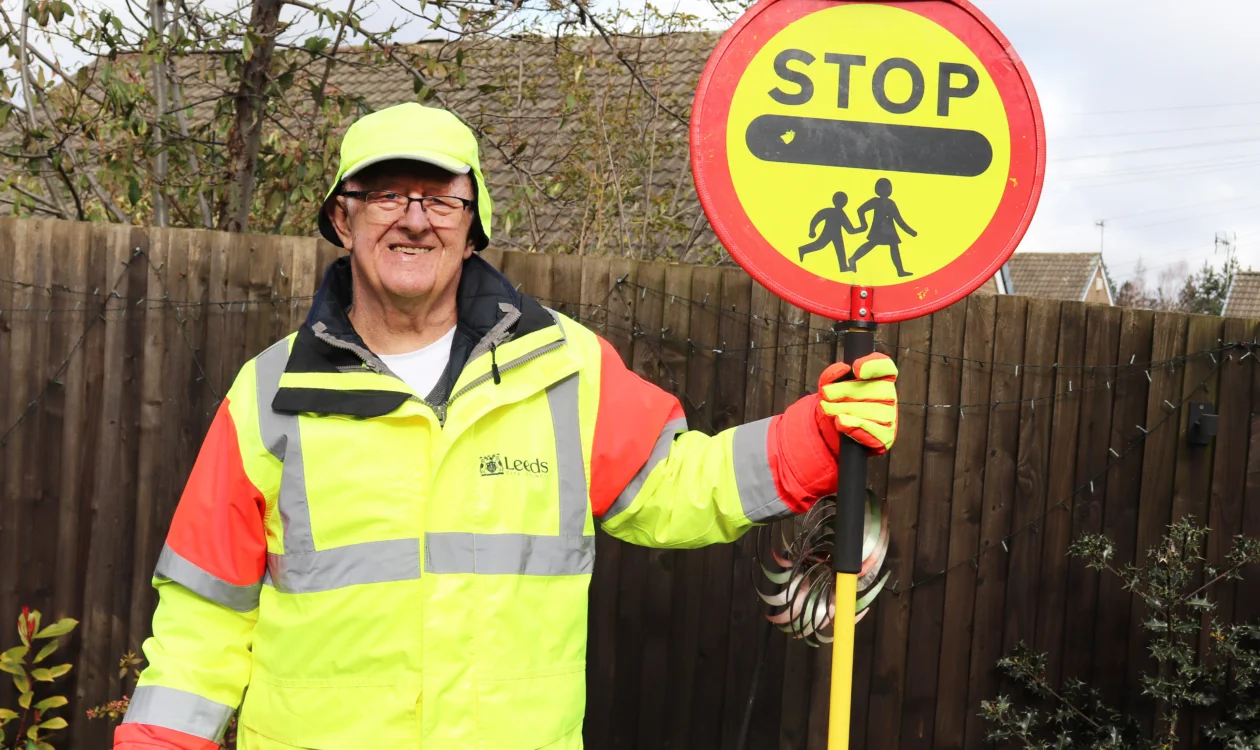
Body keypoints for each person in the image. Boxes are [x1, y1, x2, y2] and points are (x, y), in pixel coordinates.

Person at [113, 103, 901, 750]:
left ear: (473, 222)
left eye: (440, 198)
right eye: (385, 195)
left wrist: (814, 441)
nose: (413, 220)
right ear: (342, 220)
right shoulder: (268, 395)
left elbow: (674, 486)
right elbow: (205, 614)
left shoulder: (565, 365)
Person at [848, 177, 917, 278]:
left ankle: (900, 271)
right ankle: (853, 259)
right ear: (878, 189)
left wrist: (910, 231)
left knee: (893, 247)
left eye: (889, 187)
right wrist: (864, 223)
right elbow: (860, 210)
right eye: (885, 188)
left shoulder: (891, 203)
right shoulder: (875, 201)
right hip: (878, 229)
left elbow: (899, 220)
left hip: (889, 230)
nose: (888, 190)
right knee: (871, 244)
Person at [798, 191, 863, 272]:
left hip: (836, 235)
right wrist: (812, 230)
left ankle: (843, 267)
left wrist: (861, 229)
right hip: (828, 233)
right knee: (820, 245)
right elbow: (817, 218)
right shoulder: (834, 212)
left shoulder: (837, 213)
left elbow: (850, 230)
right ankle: (802, 250)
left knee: (839, 249)